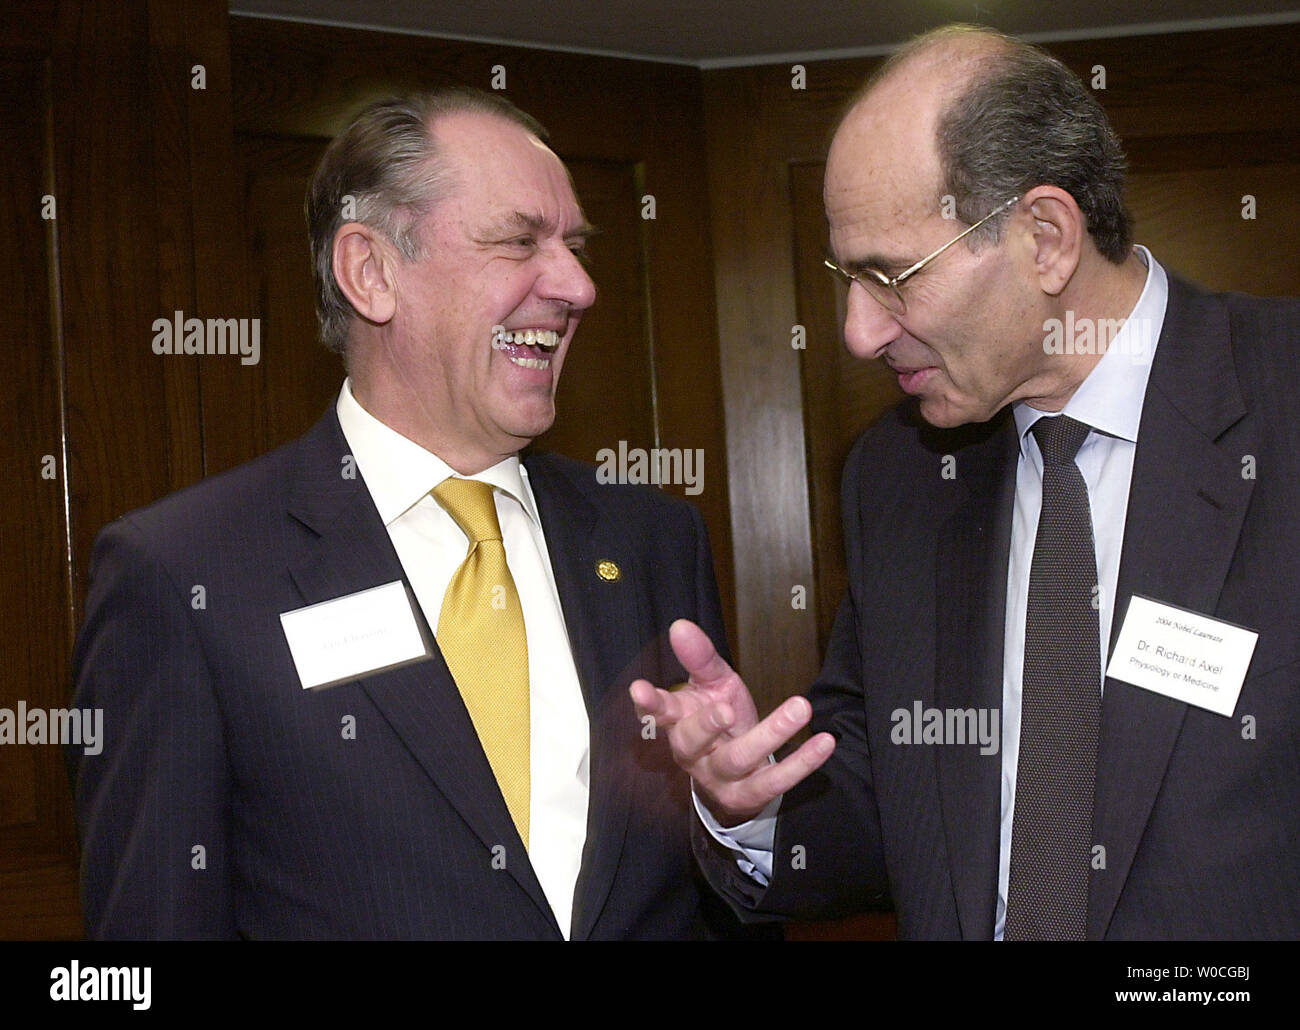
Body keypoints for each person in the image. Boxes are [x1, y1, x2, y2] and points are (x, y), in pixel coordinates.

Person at [633, 25, 1300, 939]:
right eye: (846, 277)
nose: (858, 332)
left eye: (890, 277)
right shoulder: (899, 475)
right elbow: (889, 804)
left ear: (1046, 239)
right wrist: (753, 802)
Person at [70, 88, 748, 940]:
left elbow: (719, 893)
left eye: (575, 247)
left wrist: (740, 821)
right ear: (371, 272)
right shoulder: (186, 573)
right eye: (519, 241)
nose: (579, 286)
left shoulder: (652, 540)